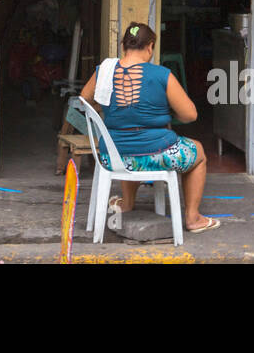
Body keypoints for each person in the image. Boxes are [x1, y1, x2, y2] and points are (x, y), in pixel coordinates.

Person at [80, 21, 218, 233]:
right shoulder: (161, 74)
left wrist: (109, 107)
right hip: (157, 155)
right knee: (198, 152)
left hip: (113, 156)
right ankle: (193, 218)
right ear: (150, 46)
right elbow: (190, 114)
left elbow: (85, 100)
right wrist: (167, 111)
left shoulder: (103, 72)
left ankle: (127, 203)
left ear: (124, 46)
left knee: (128, 143)